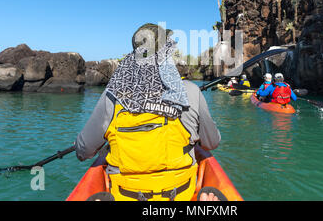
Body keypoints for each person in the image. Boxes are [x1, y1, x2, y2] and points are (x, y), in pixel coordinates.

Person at [75, 23, 221, 201]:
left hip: (124, 195)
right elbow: (211, 143)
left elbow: (83, 150)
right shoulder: (191, 91)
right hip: (182, 194)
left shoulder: (112, 95)